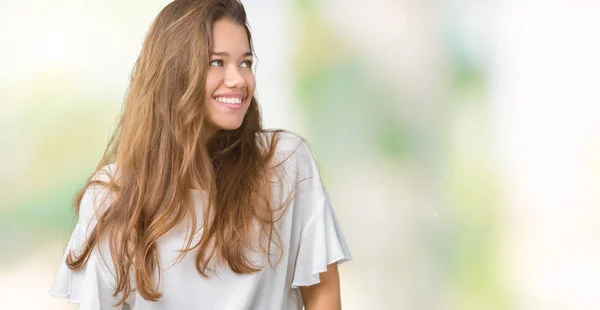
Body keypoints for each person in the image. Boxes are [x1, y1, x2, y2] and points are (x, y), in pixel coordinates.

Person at [49, 0, 351, 309]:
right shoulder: (112, 197)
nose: (238, 80)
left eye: (245, 62)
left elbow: (321, 293)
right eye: (217, 62)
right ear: (174, 72)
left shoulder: (285, 163)